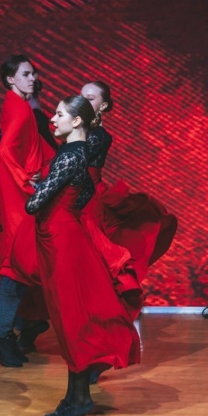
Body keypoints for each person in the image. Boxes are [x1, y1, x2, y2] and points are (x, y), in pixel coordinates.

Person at [25, 96, 141, 416]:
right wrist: (58, 197)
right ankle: (76, 397)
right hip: (63, 236)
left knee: (71, 318)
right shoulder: (79, 154)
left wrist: (40, 189)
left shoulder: (69, 155)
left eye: (59, 114)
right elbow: (86, 193)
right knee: (71, 318)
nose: (53, 119)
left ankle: (78, 400)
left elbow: (33, 205)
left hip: (61, 240)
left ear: (76, 121)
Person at [0, 55, 54, 367]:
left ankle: (12, 331)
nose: (32, 78)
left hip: (19, 193)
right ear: (10, 79)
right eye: (26, 74)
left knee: (21, 264)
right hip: (18, 196)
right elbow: (4, 149)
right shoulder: (17, 106)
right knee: (15, 265)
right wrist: (26, 180)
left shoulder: (19, 104)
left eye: (33, 73)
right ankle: (1, 336)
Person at [80, 81, 177, 288]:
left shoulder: (96, 135)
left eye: (90, 98)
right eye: (81, 97)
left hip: (86, 195)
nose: (83, 102)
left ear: (103, 105)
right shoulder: (81, 129)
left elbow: (77, 165)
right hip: (78, 191)